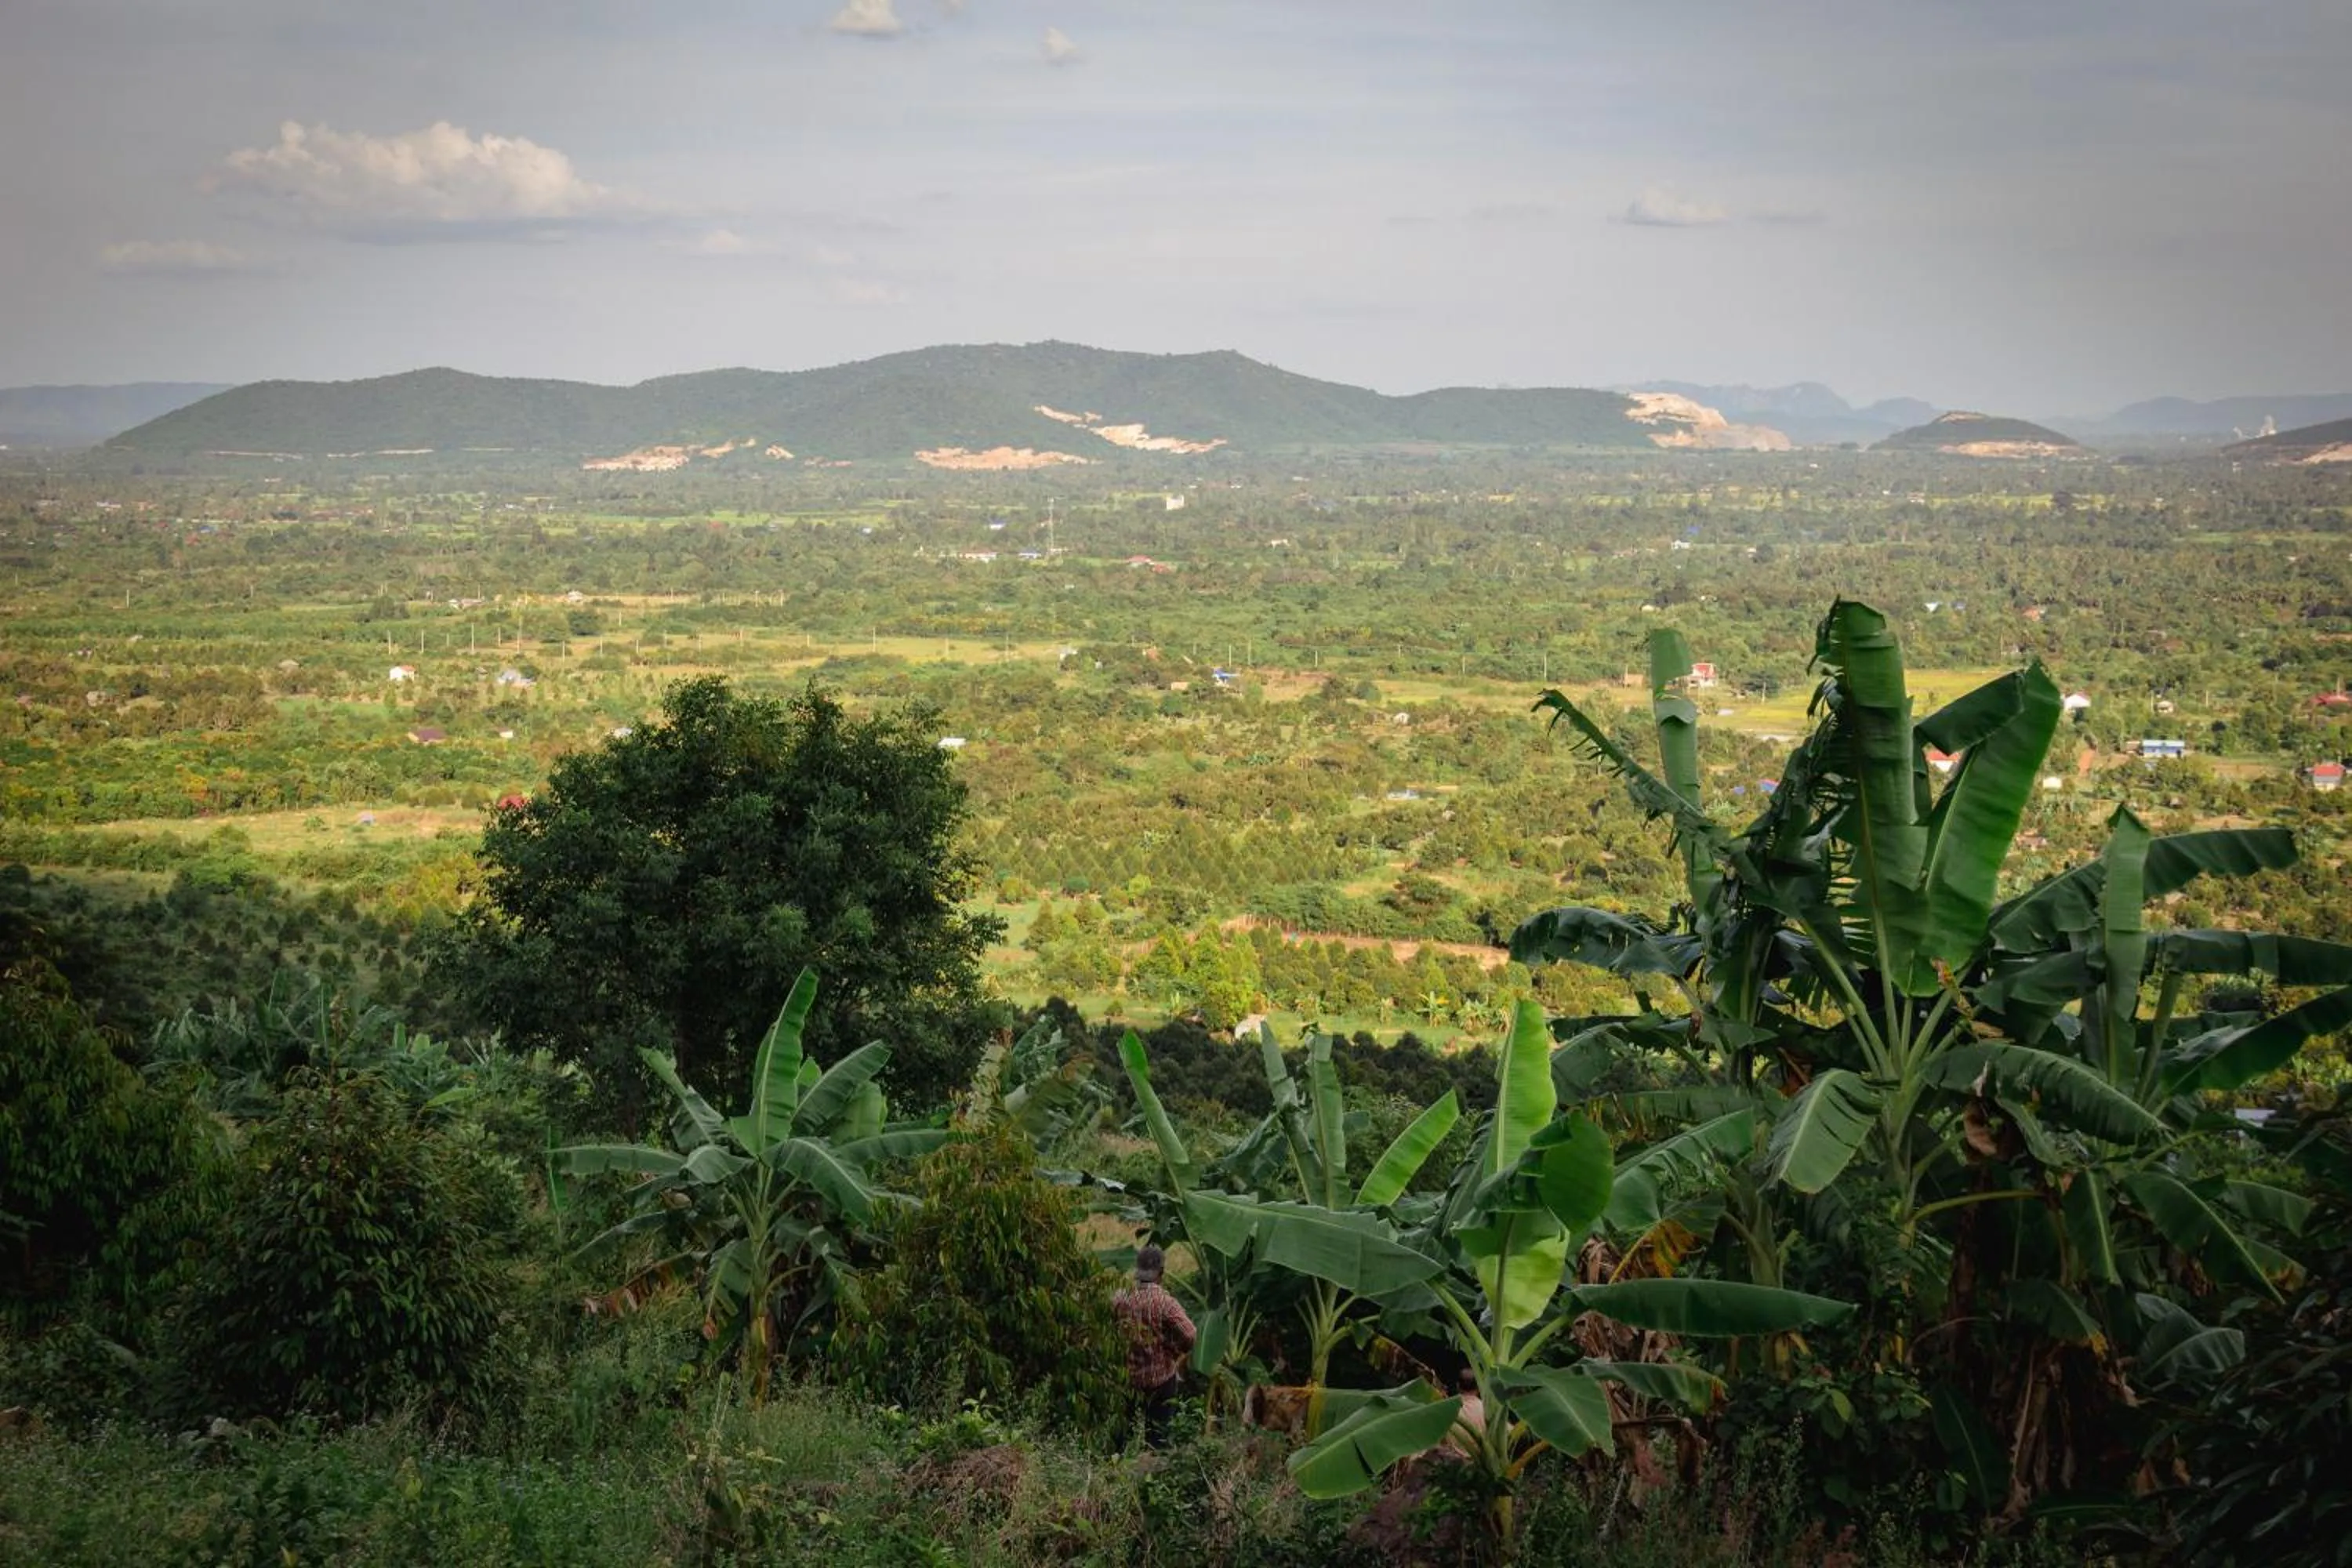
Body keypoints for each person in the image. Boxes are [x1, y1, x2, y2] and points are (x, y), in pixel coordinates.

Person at [1112, 1243, 1196, 1448]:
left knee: (1124, 1436)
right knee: (1159, 1438)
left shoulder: (1120, 1298)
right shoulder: (1165, 1302)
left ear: (1137, 1269)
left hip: (1128, 1379)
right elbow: (1190, 1334)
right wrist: (1176, 1351)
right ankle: (1154, 1474)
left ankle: (1119, 1472)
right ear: (1161, 1272)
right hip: (1161, 1379)